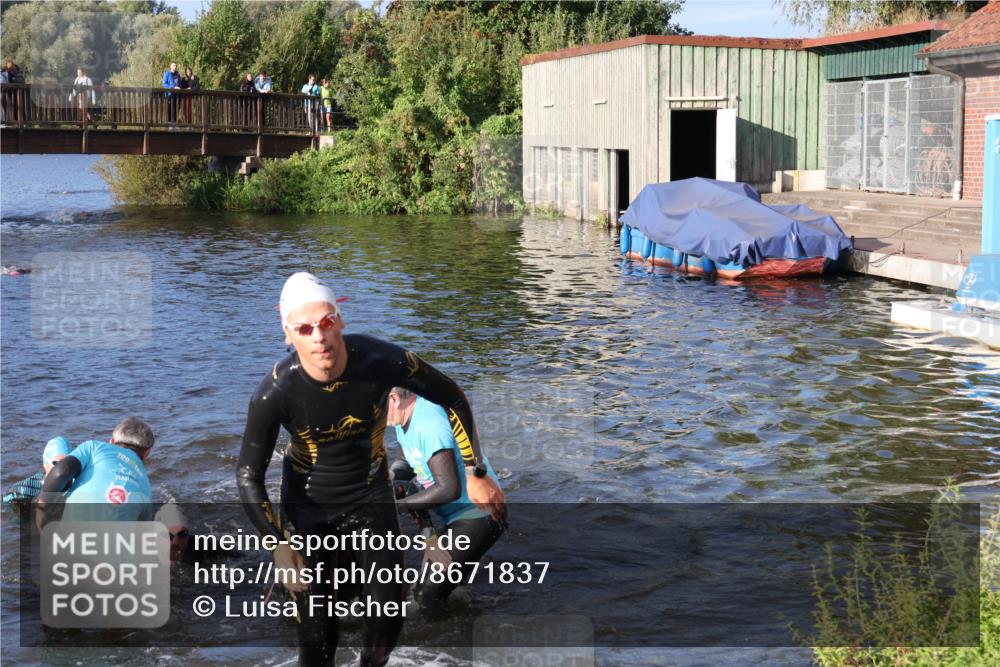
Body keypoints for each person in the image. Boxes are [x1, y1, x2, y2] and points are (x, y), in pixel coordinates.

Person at [238, 272, 504, 667]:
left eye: (327, 322)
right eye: (305, 328)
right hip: (309, 510)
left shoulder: (382, 361)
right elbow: (248, 475)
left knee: (385, 619)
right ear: (288, 334)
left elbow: (453, 396)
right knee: (317, 635)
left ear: (340, 320)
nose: (318, 336)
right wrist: (277, 543)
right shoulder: (275, 391)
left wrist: (474, 471)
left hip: (371, 502)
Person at [386, 387, 505, 607]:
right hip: (454, 516)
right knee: (438, 590)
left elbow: (449, 488)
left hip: (478, 513)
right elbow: (408, 471)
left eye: (374, 405)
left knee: (426, 597)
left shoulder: (428, 425)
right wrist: (429, 537)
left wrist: (394, 506)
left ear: (394, 398)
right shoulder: (403, 417)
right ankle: (466, 613)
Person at [36, 417, 156, 528]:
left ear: (111, 441)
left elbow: (61, 472)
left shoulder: (94, 447)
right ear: (147, 453)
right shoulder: (146, 486)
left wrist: (42, 507)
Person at [2, 437, 73, 506]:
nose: (64, 470)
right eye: (57, 464)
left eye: (70, 464)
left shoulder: (78, 485)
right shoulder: (21, 491)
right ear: (45, 464)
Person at [161, 61, 181, 127]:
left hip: (177, 95)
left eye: (175, 65)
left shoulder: (178, 74)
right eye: (173, 65)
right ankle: (170, 124)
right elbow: (164, 84)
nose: (174, 67)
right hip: (169, 95)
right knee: (169, 109)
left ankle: (175, 123)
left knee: (176, 108)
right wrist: (173, 87)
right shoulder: (167, 73)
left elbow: (180, 84)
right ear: (170, 66)